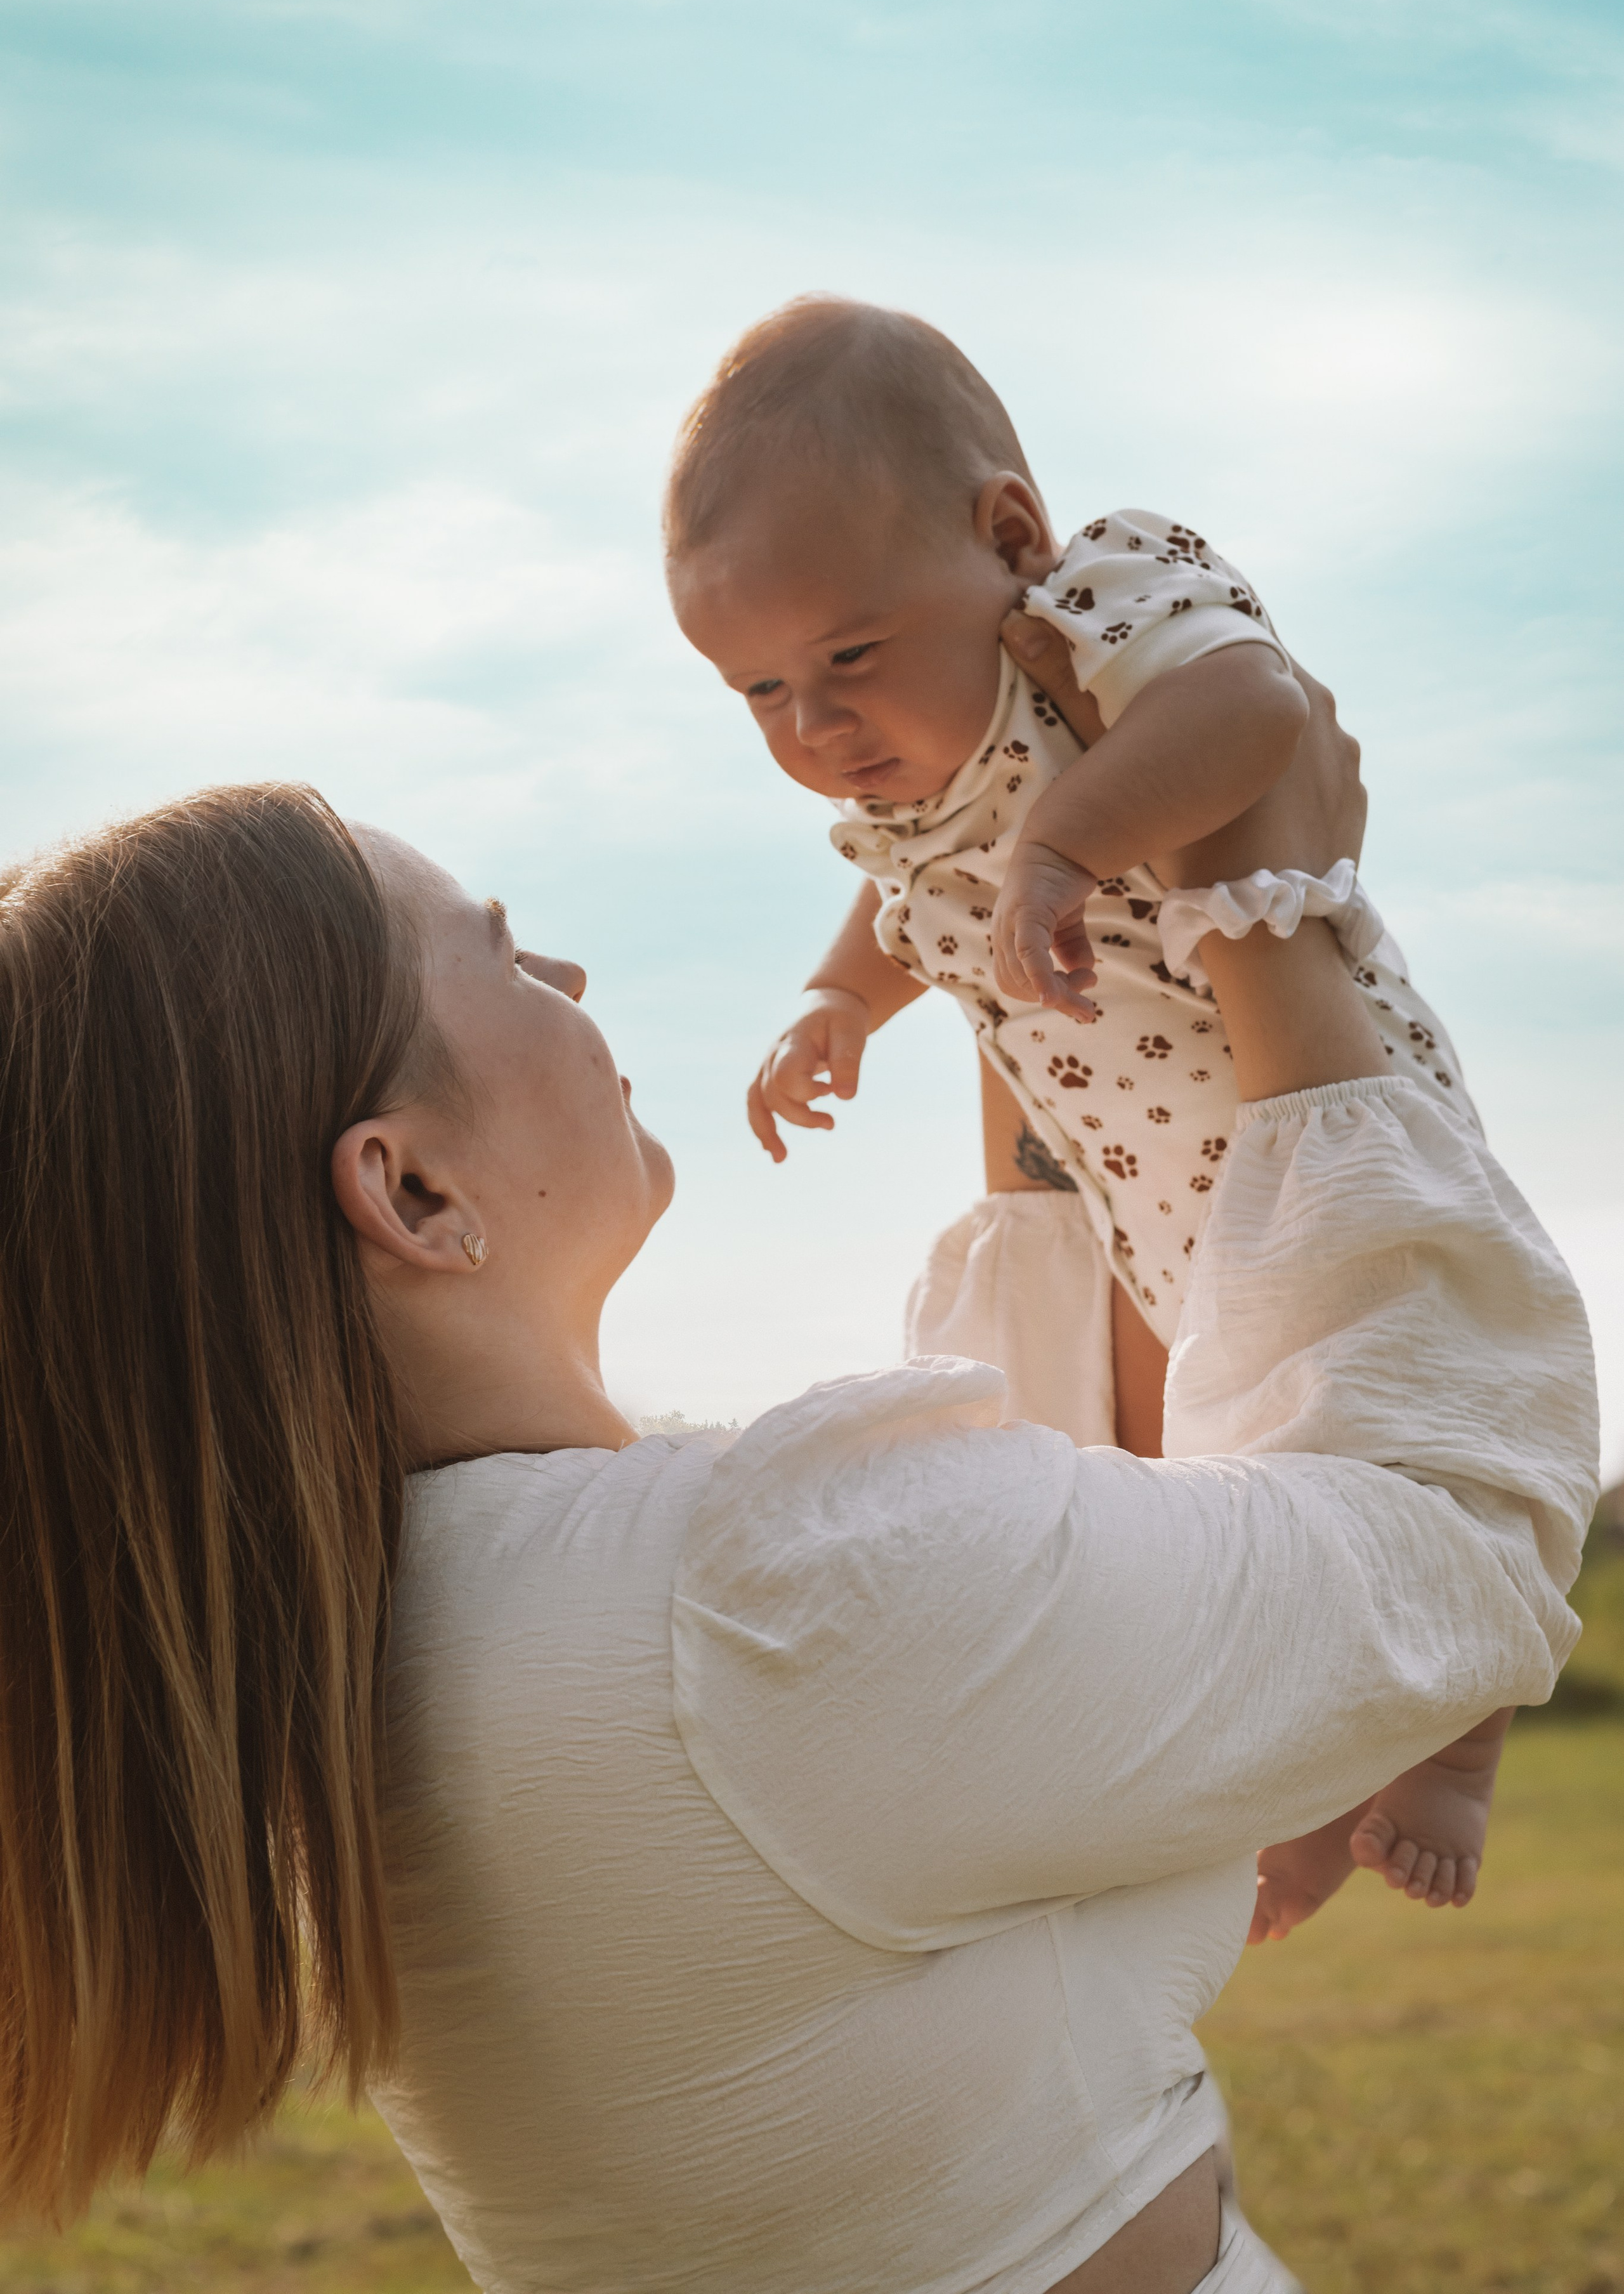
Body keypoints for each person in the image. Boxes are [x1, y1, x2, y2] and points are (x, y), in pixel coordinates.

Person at [0, 771, 1595, 2293]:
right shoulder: (747, 1600)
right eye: (499, 952)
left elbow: (1029, 1556)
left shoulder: (362, 1663)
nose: (565, 973)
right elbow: (1450, 1531)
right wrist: (1264, 907)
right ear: (413, 1193)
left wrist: (1018, 953)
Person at [664, 294, 1506, 1941]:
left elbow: (1254, 713)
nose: (815, 728)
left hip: (1322, 1125)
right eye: (757, 689)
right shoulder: (920, 796)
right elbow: (904, 902)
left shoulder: (1103, 597)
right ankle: (1302, 1790)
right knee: (1224, 1494)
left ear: (1008, 538)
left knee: (1407, 1411)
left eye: (848, 657)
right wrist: (837, 1001)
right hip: (1154, 1207)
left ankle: (1454, 1743)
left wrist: (1067, 842)